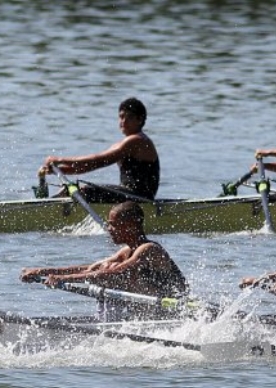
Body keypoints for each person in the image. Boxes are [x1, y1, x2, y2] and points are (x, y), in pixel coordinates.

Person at [20, 201, 187, 320]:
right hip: (149, 310)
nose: (109, 229)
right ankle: (110, 319)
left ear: (131, 225)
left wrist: (63, 280)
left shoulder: (150, 249)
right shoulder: (127, 250)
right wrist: (42, 271)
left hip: (173, 312)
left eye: (113, 224)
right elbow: (91, 269)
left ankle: (113, 320)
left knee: (112, 271)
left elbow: (113, 273)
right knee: (107, 266)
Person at [41, 97, 160, 203]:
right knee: (71, 189)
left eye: (128, 117)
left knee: (83, 190)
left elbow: (99, 160)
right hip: (128, 194)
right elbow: (89, 166)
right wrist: (60, 170)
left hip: (141, 198)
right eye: (121, 117)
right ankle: (52, 207)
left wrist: (59, 159)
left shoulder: (138, 141)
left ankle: (54, 211)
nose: (123, 122)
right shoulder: (124, 143)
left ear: (139, 120)